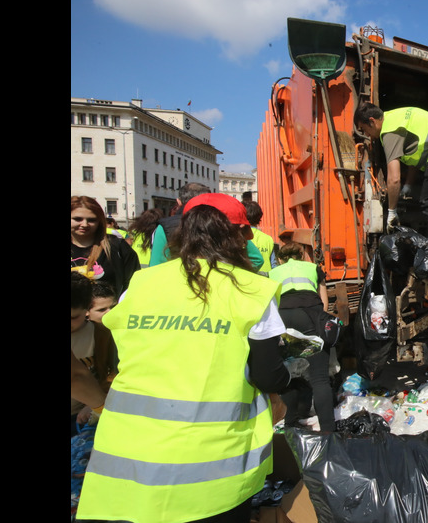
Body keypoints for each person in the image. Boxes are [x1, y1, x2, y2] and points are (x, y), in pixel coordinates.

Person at [77, 194, 296, 523]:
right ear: (233, 235)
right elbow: (267, 375)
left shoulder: (140, 283)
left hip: (126, 459)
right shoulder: (250, 289)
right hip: (209, 470)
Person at [354, 102, 428, 241]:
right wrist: (409, 185)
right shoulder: (394, 117)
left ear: (372, 122)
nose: (367, 135)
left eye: (364, 129)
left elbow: (394, 178)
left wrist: (391, 211)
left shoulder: (389, 131)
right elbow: (414, 157)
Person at [269, 242, 336, 431]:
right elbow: (324, 303)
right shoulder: (313, 268)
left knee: (287, 375)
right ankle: (328, 433)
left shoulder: (273, 273)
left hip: (282, 317)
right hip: (309, 316)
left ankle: (289, 424)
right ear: (302, 255)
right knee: (320, 379)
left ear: (280, 259)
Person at [150, 183, 264, 270]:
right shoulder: (230, 223)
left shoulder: (165, 227)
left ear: (179, 202)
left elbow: (156, 266)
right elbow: (256, 259)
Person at [71, 273, 116, 436]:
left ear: (87, 310)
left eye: (73, 317)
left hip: (82, 414)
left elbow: (111, 374)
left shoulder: (101, 335)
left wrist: (93, 405)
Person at [71, 196, 140, 295]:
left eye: (91, 220)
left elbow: (133, 285)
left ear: (99, 221)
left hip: (110, 309)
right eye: (78, 219)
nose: (85, 224)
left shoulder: (117, 246)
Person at [244, 200, 277, 274]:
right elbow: (273, 265)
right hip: (266, 281)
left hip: (247, 281)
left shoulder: (240, 237)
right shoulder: (268, 239)